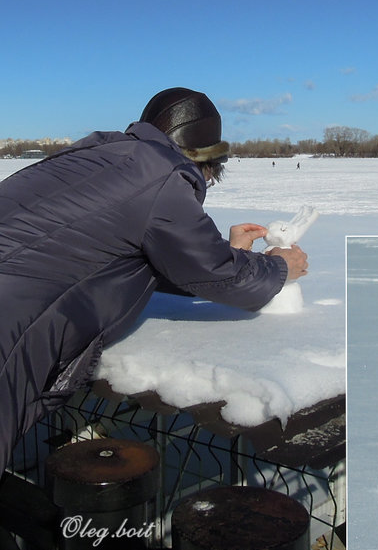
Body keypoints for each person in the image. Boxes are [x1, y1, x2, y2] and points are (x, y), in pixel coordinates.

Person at [0, 87, 308, 475]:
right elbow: (218, 275)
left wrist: (233, 252)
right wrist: (279, 266)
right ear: (205, 162)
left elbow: (109, 250)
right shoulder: (162, 176)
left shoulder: (96, 157)